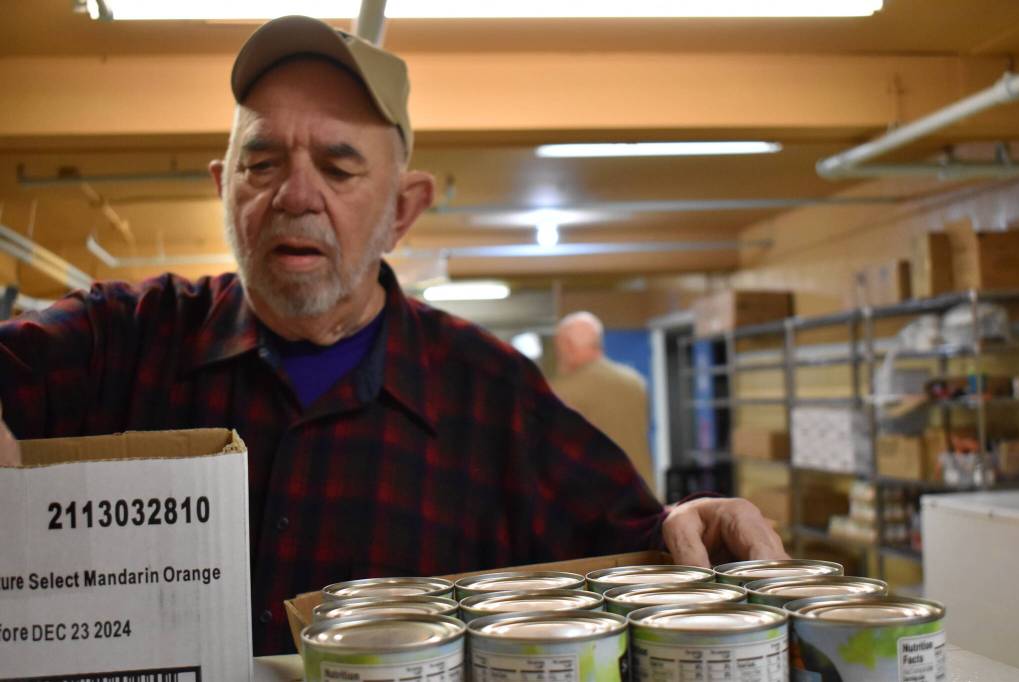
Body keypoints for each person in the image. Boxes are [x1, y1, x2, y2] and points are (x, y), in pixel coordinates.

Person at [0, 15, 786, 655]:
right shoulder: (120, 342)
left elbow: (633, 543)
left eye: (339, 170)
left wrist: (688, 531)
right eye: (262, 161)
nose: (294, 194)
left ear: (403, 210)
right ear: (223, 186)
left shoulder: (492, 396)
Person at [550, 312, 655, 491]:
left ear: (567, 345)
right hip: (643, 494)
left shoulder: (561, 391)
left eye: (558, 346)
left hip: (596, 501)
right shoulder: (635, 381)